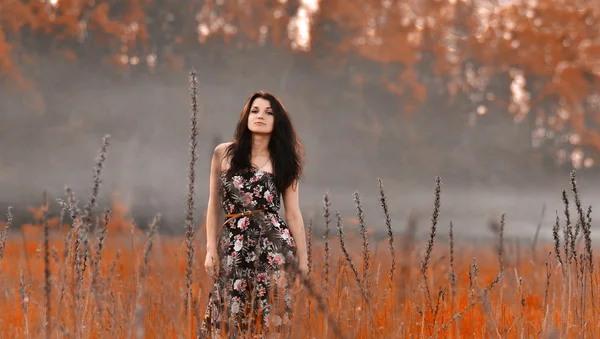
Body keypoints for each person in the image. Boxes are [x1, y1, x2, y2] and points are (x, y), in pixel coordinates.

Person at [199, 91, 309, 338]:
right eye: (255, 110)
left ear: (277, 121)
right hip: (233, 245)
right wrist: (209, 249)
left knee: (268, 317)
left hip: (273, 247)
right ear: (246, 116)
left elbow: (292, 214)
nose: (260, 116)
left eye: (268, 112)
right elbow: (214, 205)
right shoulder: (223, 154)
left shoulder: (284, 161)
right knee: (225, 313)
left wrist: (303, 262)